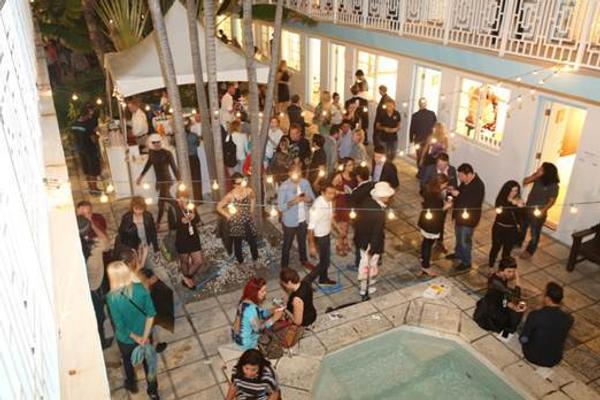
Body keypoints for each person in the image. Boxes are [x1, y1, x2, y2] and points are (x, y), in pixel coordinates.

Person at [106, 261, 159, 398]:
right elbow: (151, 314)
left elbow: (120, 325)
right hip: (145, 333)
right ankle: (153, 391)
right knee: (149, 363)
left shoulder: (112, 298)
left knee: (128, 362)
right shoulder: (140, 288)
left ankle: (132, 384)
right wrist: (145, 337)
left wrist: (136, 338)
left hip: (126, 340)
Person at [117, 247, 170, 354]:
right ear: (130, 262)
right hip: (140, 307)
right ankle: (151, 345)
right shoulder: (135, 276)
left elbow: (136, 269)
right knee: (147, 326)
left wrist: (143, 256)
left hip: (128, 307)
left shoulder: (120, 271)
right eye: (134, 257)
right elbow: (144, 288)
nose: (136, 258)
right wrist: (151, 281)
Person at [76, 207, 112, 348]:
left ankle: (101, 338)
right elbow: (106, 243)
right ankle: (101, 341)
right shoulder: (94, 247)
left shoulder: (77, 247)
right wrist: (91, 223)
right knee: (99, 314)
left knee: (96, 313)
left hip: (84, 285)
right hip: (96, 285)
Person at [353, 182, 395, 296]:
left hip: (361, 239)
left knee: (365, 263)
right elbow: (376, 232)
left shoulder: (366, 202)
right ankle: (364, 288)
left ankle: (368, 282)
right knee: (367, 265)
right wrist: (373, 248)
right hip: (370, 243)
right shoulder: (379, 212)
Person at [520, 282, 574, 367]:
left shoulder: (535, 315)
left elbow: (523, 338)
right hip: (554, 359)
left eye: (543, 294)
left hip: (532, 356)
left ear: (548, 299)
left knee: (522, 325)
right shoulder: (569, 319)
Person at [473, 257, 526, 341]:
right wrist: (517, 277)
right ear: (501, 270)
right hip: (492, 308)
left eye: (513, 271)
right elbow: (516, 294)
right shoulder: (496, 282)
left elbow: (503, 295)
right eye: (509, 271)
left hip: (500, 300)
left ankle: (509, 330)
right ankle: (506, 334)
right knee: (518, 309)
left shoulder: (501, 275)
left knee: (520, 305)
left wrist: (508, 303)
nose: (511, 274)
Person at [446, 163, 485, 272]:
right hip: (460, 216)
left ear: (468, 174)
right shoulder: (465, 182)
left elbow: (470, 202)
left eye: (461, 176)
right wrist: (453, 190)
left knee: (465, 240)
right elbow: (460, 190)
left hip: (469, 219)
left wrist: (457, 194)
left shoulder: (478, 186)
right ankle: (458, 254)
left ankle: (466, 262)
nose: (459, 178)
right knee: (458, 236)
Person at [136, 134, 180, 227]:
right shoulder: (151, 153)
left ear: (161, 142)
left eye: (158, 142)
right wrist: (140, 176)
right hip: (159, 181)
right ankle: (182, 212)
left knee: (161, 202)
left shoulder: (167, 153)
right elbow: (147, 165)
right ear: (151, 143)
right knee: (170, 200)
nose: (156, 144)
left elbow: (174, 168)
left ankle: (158, 222)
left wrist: (180, 180)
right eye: (154, 143)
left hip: (166, 180)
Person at [277, 165, 316, 270]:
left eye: (299, 173)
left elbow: (313, 199)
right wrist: (294, 201)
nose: (298, 175)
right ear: (289, 174)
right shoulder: (284, 187)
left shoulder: (305, 183)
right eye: (295, 173)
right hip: (290, 221)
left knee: (302, 241)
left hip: (303, 219)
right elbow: (280, 207)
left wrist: (308, 200)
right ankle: (284, 266)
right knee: (287, 244)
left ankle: (304, 260)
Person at [518, 162, 560, 259]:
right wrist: (536, 176)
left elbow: (552, 201)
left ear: (547, 172)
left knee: (534, 234)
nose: (538, 169)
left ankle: (529, 252)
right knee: (522, 228)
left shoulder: (554, 186)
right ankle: (517, 243)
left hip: (538, 214)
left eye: (541, 169)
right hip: (527, 209)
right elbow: (525, 182)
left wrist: (543, 211)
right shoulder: (537, 177)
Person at [217, 173, 259, 265]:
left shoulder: (248, 191)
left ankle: (255, 259)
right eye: (238, 183)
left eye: (243, 182)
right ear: (234, 185)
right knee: (237, 244)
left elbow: (253, 198)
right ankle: (241, 262)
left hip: (247, 220)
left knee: (252, 241)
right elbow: (219, 207)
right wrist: (228, 215)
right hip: (236, 222)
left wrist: (251, 210)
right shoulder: (230, 196)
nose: (242, 185)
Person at [232, 277, 284, 350]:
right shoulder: (252, 309)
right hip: (246, 343)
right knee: (272, 331)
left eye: (265, 290)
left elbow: (259, 314)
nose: (265, 293)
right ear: (254, 292)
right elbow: (259, 330)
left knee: (267, 322)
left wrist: (272, 310)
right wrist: (274, 319)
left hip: (236, 337)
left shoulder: (244, 301)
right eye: (262, 291)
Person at [418, 174, 453, 276]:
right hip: (432, 223)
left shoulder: (429, 189)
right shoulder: (435, 195)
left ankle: (424, 258)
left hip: (426, 221)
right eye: (445, 184)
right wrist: (446, 207)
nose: (445, 187)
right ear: (439, 183)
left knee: (426, 241)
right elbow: (436, 211)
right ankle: (425, 266)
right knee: (428, 243)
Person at [118, 196, 160, 270]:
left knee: (153, 259)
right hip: (131, 242)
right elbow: (122, 233)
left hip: (145, 241)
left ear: (144, 208)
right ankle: (140, 266)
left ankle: (141, 265)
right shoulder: (127, 217)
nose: (138, 212)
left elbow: (153, 233)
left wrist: (156, 248)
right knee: (134, 260)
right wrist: (133, 247)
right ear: (132, 207)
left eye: (140, 209)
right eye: (136, 209)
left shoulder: (148, 216)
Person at [308, 182, 338, 286]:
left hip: (326, 233)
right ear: (322, 193)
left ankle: (323, 278)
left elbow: (330, 217)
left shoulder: (329, 201)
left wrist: (338, 229)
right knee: (324, 262)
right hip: (320, 236)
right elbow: (310, 227)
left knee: (326, 260)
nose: (332, 196)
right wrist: (312, 245)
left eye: (333, 193)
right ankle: (306, 282)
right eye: (329, 193)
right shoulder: (317, 206)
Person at [489, 181, 525, 268]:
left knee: (507, 250)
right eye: (511, 190)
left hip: (511, 230)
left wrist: (521, 208)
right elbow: (502, 213)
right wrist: (512, 204)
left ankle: (503, 268)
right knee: (495, 247)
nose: (513, 193)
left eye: (516, 191)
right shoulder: (501, 199)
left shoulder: (519, 201)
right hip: (499, 227)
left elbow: (521, 217)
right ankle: (491, 265)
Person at [172, 191, 203, 289]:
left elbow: (198, 220)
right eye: (181, 198)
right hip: (182, 238)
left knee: (198, 261)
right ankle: (188, 280)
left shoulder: (191, 206)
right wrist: (181, 222)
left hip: (193, 236)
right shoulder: (173, 209)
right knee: (184, 261)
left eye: (185, 198)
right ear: (177, 199)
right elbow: (171, 225)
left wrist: (194, 217)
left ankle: (187, 278)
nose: (184, 200)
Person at [71, 104, 101, 194]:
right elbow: (94, 138)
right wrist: (97, 133)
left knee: (87, 170)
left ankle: (91, 188)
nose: (91, 116)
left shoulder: (75, 123)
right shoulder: (88, 125)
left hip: (80, 150)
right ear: (85, 114)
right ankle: (94, 189)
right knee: (93, 171)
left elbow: (74, 136)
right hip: (90, 150)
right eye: (90, 114)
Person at [332, 158, 357, 256]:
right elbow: (331, 189)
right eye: (349, 165)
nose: (352, 167)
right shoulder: (339, 177)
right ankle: (339, 244)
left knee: (346, 225)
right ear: (344, 166)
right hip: (340, 203)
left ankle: (345, 241)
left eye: (352, 165)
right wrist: (341, 192)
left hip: (349, 204)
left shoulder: (353, 176)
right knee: (342, 226)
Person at [409, 97, 437, 173]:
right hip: (428, 139)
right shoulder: (431, 114)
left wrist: (411, 138)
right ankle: (423, 171)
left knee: (420, 156)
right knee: (425, 156)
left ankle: (421, 171)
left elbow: (412, 128)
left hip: (420, 139)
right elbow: (435, 126)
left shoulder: (415, 115)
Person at [185, 118, 202, 201]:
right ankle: (198, 197)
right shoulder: (194, 135)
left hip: (186, 159)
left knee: (188, 179)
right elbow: (198, 144)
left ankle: (191, 197)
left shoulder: (179, 136)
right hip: (194, 158)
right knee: (197, 178)